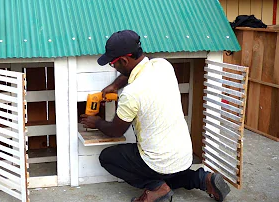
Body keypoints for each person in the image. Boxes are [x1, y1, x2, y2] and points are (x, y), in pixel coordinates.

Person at [80, 30, 231, 202]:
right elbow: (137, 68)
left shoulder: (131, 94)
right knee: (167, 172)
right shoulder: (163, 65)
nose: (113, 67)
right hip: (183, 156)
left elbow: (115, 131)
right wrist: (115, 85)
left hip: (157, 162)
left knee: (108, 158)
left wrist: (97, 122)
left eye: (113, 64)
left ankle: (155, 187)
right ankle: (202, 179)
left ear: (123, 60)